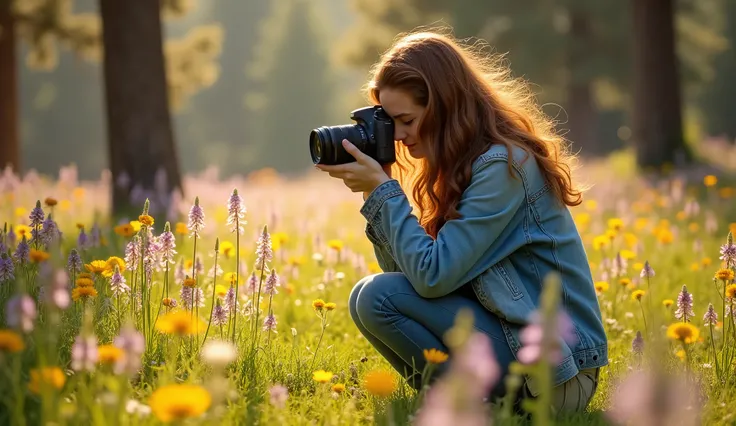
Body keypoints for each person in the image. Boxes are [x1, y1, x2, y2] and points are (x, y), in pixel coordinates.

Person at [315, 30, 607, 413]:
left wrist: (384, 192)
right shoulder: (461, 165)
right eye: (391, 124)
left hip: (559, 377)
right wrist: (375, 192)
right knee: (366, 297)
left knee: (376, 296)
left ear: (444, 106)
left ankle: (469, 409)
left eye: (407, 120)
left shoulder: (504, 167)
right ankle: (465, 406)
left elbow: (432, 277)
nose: (400, 137)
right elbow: (408, 275)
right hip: (514, 342)